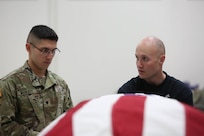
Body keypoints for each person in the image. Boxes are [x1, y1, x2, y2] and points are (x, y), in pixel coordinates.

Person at [0, 25, 73, 135]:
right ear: (28, 48)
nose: (50, 56)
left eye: (53, 51)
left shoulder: (60, 85)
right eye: (44, 50)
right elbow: (4, 125)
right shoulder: (9, 84)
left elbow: (70, 121)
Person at [117, 36, 193, 106]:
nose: (139, 64)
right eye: (137, 58)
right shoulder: (127, 92)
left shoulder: (181, 93)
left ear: (161, 60)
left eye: (144, 59)